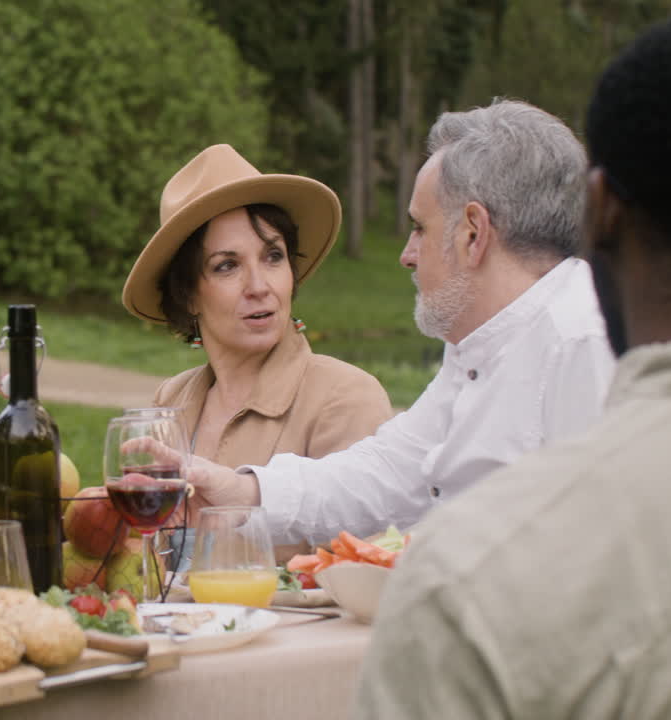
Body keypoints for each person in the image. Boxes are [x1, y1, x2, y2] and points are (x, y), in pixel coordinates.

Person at [354, 12, 671, 717]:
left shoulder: (467, 589)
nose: (407, 252)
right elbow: (399, 459)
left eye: (418, 229)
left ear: (598, 213)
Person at [184, 100, 617, 544]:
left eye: (419, 228)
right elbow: (388, 473)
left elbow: (604, 555)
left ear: (473, 232)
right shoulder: (478, 346)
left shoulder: (582, 342)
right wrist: (243, 491)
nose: (406, 255)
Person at [121, 144, 392, 473]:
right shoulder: (172, 398)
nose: (259, 287)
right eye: (227, 266)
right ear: (188, 294)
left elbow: (353, 526)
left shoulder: (345, 398)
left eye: (273, 256)